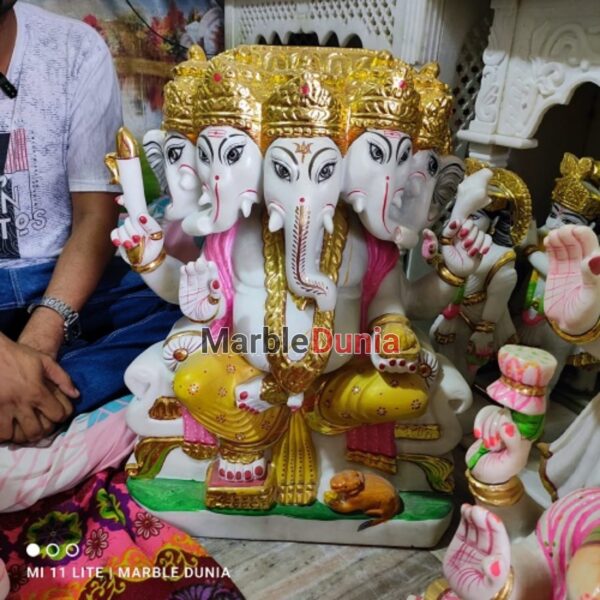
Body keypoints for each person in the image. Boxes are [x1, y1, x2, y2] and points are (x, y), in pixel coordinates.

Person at [0, 0, 180, 444]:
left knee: (202, 305)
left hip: (59, 286)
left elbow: (95, 216)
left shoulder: (73, 48)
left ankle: (33, 389)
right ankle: (39, 397)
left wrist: (40, 339)